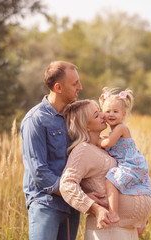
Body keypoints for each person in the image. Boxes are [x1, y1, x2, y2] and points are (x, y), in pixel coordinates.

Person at [21, 61, 104, 240]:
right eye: (75, 84)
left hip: (72, 208)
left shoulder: (73, 116)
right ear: (58, 87)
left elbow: (92, 138)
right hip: (46, 205)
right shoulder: (35, 120)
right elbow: (39, 171)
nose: (80, 87)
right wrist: (78, 195)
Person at [60, 100, 151, 240]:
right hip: (108, 229)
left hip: (126, 228)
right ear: (86, 126)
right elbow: (66, 184)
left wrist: (140, 217)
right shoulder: (83, 150)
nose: (104, 116)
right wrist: (93, 207)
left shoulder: (106, 147)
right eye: (96, 115)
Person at [97, 87, 151, 233]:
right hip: (135, 164)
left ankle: (114, 213)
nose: (111, 114)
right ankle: (142, 221)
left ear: (123, 114)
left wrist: (94, 140)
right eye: (108, 111)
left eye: (115, 112)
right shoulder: (114, 131)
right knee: (137, 189)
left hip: (131, 164)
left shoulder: (121, 128)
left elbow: (108, 143)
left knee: (111, 180)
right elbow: (109, 139)